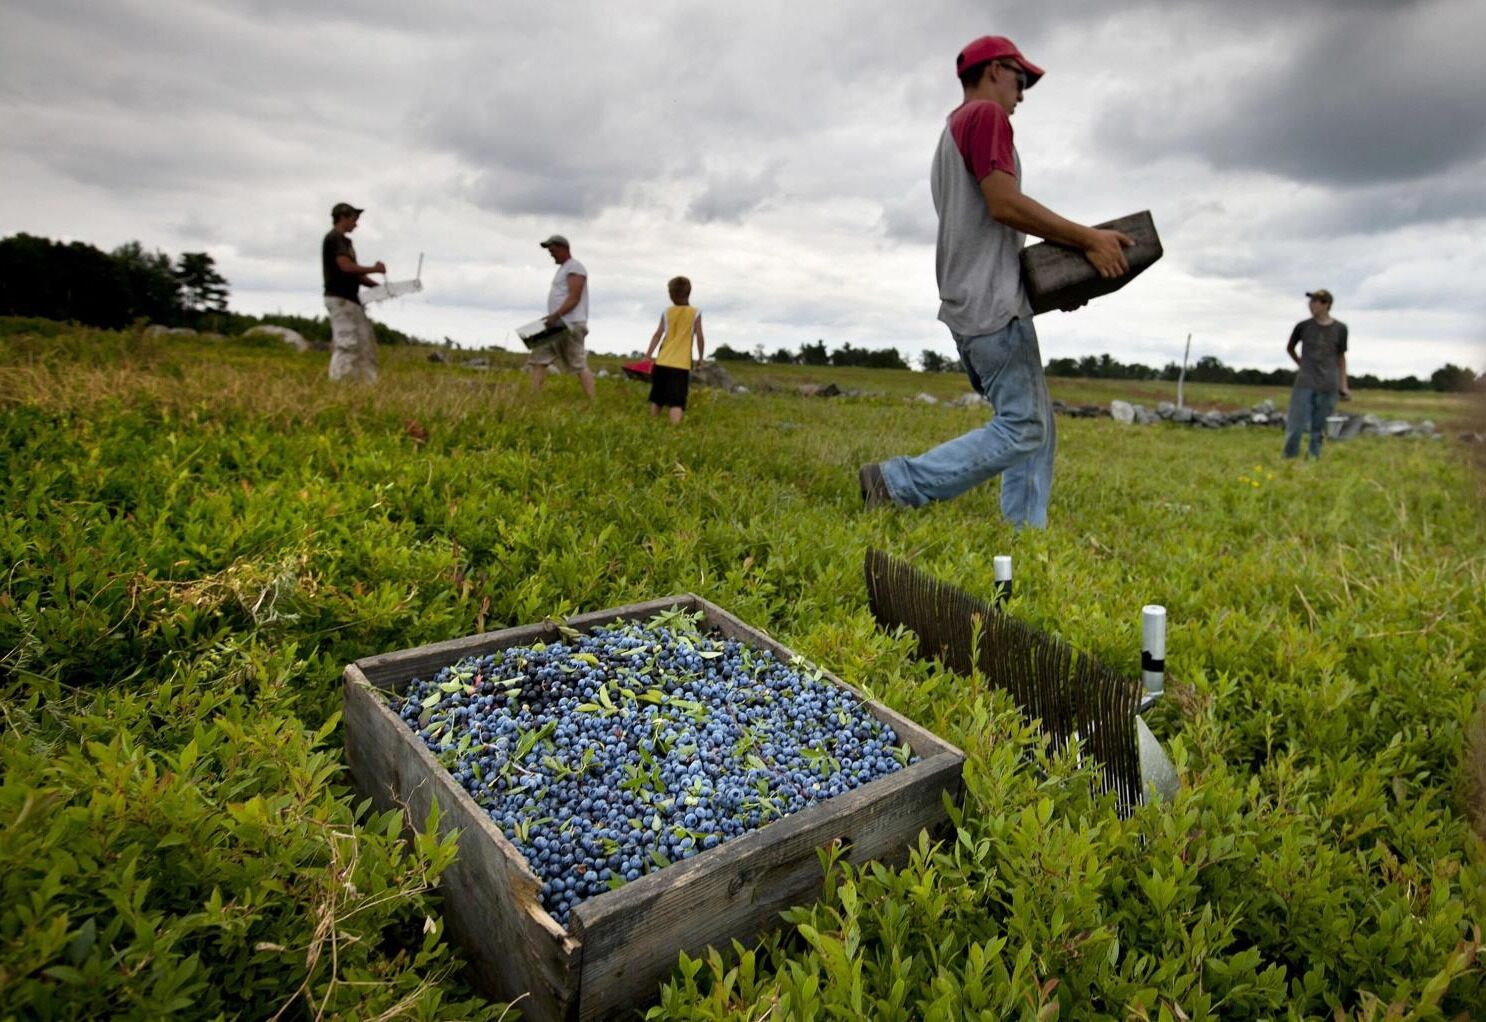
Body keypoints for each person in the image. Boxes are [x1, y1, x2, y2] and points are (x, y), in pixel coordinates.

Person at [858, 36, 1132, 528]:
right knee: (1024, 426)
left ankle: (1025, 528)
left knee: (1036, 426)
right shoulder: (986, 118)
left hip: (979, 298)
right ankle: (897, 484)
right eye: (1020, 79)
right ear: (994, 71)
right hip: (990, 306)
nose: (1023, 93)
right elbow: (1004, 205)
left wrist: (1058, 282)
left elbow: (989, 232)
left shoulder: (953, 130)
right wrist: (1088, 239)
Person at [322, 201, 386, 383]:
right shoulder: (335, 239)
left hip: (351, 300)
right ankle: (337, 382)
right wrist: (374, 269)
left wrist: (379, 288)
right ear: (342, 217)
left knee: (365, 343)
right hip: (340, 298)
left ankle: (364, 384)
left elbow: (355, 275)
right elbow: (346, 267)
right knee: (347, 343)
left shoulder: (345, 242)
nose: (356, 224)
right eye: (353, 219)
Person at [1283, 289, 1350, 459]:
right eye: (1310, 301)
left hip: (1328, 383)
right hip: (1305, 382)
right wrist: (1301, 363)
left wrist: (1343, 385)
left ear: (1326, 305)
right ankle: (1290, 458)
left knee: (1319, 426)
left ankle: (1314, 457)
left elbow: (1341, 357)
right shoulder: (1303, 326)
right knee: (1296, 424)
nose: (1311, 305)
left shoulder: (1340, 329)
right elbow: (1290, 348)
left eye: (1315, 301)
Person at [529, 234, 595, 399]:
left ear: (564, 248)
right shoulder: (563, 269)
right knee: (539, 358)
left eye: (553, 250)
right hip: (555, 322)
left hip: (569, 323)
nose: (551, 254)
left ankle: (592, 399)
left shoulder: (575, 267)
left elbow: (574, 297)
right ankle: (533, 396)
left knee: (578, 363)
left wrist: (556, 315)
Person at [642, 276, 707, 424]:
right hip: (680, 364)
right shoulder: (695, 313)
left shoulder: (667, 312)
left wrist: (648, 355)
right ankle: (675, 429)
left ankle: (652, 423)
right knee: (677, 401)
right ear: (688, 293)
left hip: (662, 360)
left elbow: (658, 334)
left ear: (671, 294)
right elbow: (700, 337)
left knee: (657, 397)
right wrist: (701, 358)